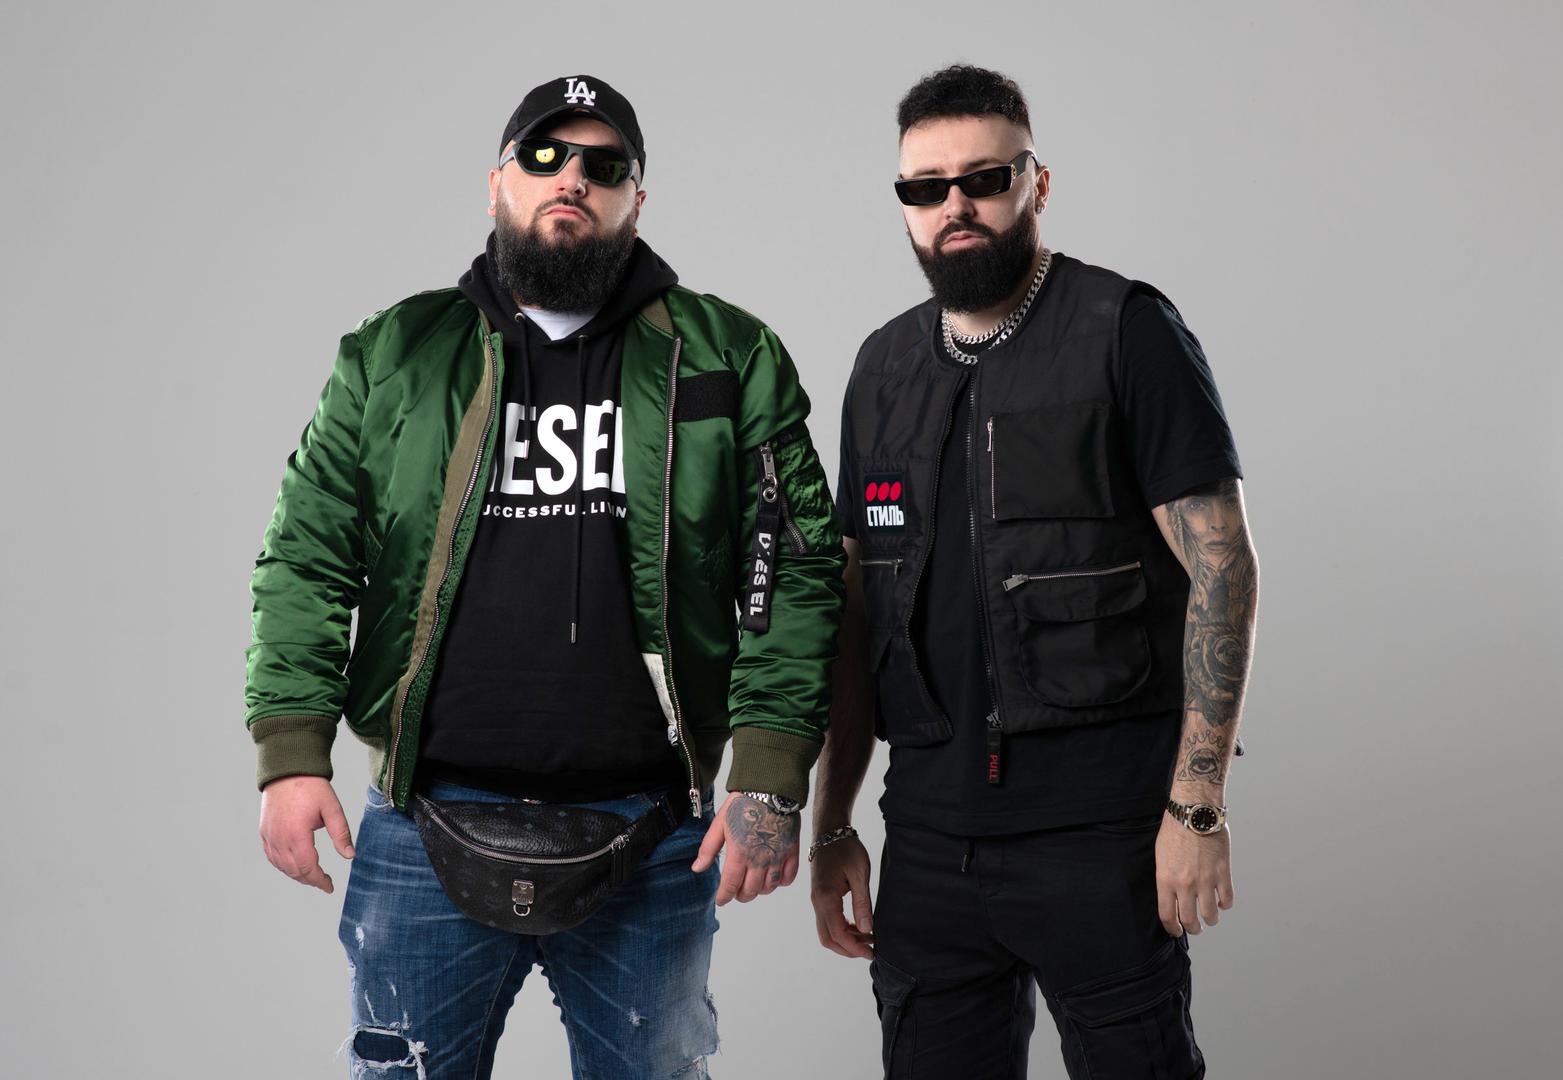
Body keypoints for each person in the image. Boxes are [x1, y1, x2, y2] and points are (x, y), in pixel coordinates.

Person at [246, 74, 844, 1080]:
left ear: (635, 200)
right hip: (422, 820)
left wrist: (771, 773)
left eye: (604, 166)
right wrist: (292, 751)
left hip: (652, 831)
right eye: (543, 155)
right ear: (496, 183)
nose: (572, 178)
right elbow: (306, 555)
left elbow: (795, 569)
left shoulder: (729, 355)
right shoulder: (395, 354)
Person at [808, 65, 1259, 1078]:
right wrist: (832, 823)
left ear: (1036, 182)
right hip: (928, 841)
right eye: (925, 187)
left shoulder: (1125, 329)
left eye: (984, 178)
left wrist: (1197, 805)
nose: (955, 206)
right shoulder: (881, 369)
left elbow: (1222, 568)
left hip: (1100, 836)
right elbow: (857, 614)